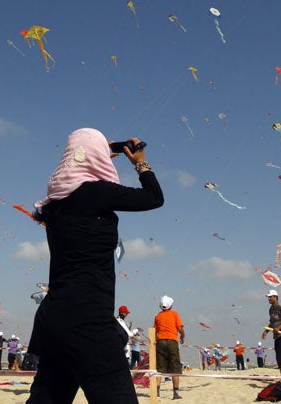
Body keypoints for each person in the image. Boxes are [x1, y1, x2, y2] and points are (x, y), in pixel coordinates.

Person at [25, 129, 165, 404]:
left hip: (52, 321)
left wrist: (100, 153)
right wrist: (140, 163)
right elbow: (154, 197)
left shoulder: (55, 203)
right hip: (87, 319)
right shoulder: (96, 193)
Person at [153, 296, 185, 399]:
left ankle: (157, 391)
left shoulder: (158, 316)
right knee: (175, 367)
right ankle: (175, 393)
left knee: (159, 368)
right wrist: (183, 336)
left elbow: (154, 330)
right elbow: (180, 328)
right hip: (172, 341)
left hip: (160, 341)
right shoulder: (175, 314)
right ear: (170, 305)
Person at [262, 290, 281, 376]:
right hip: (276, 336)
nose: (269, 299)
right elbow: (272, 322)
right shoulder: (271, 309)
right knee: (279, 358)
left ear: (276, 297)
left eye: (271, 297)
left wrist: (278, 328)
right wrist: (266, 331)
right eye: (268, 297)